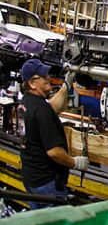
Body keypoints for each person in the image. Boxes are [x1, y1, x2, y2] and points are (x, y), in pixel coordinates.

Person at [18, 58, 86, 210]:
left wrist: (66, 86)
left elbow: (51, 107)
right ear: (32, 83)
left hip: (32, 179)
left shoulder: (26, 103)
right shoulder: (41, 110)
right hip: (47, 183)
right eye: (43, 76)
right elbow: (54, 152)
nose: (48, 78)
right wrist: (75, 162)